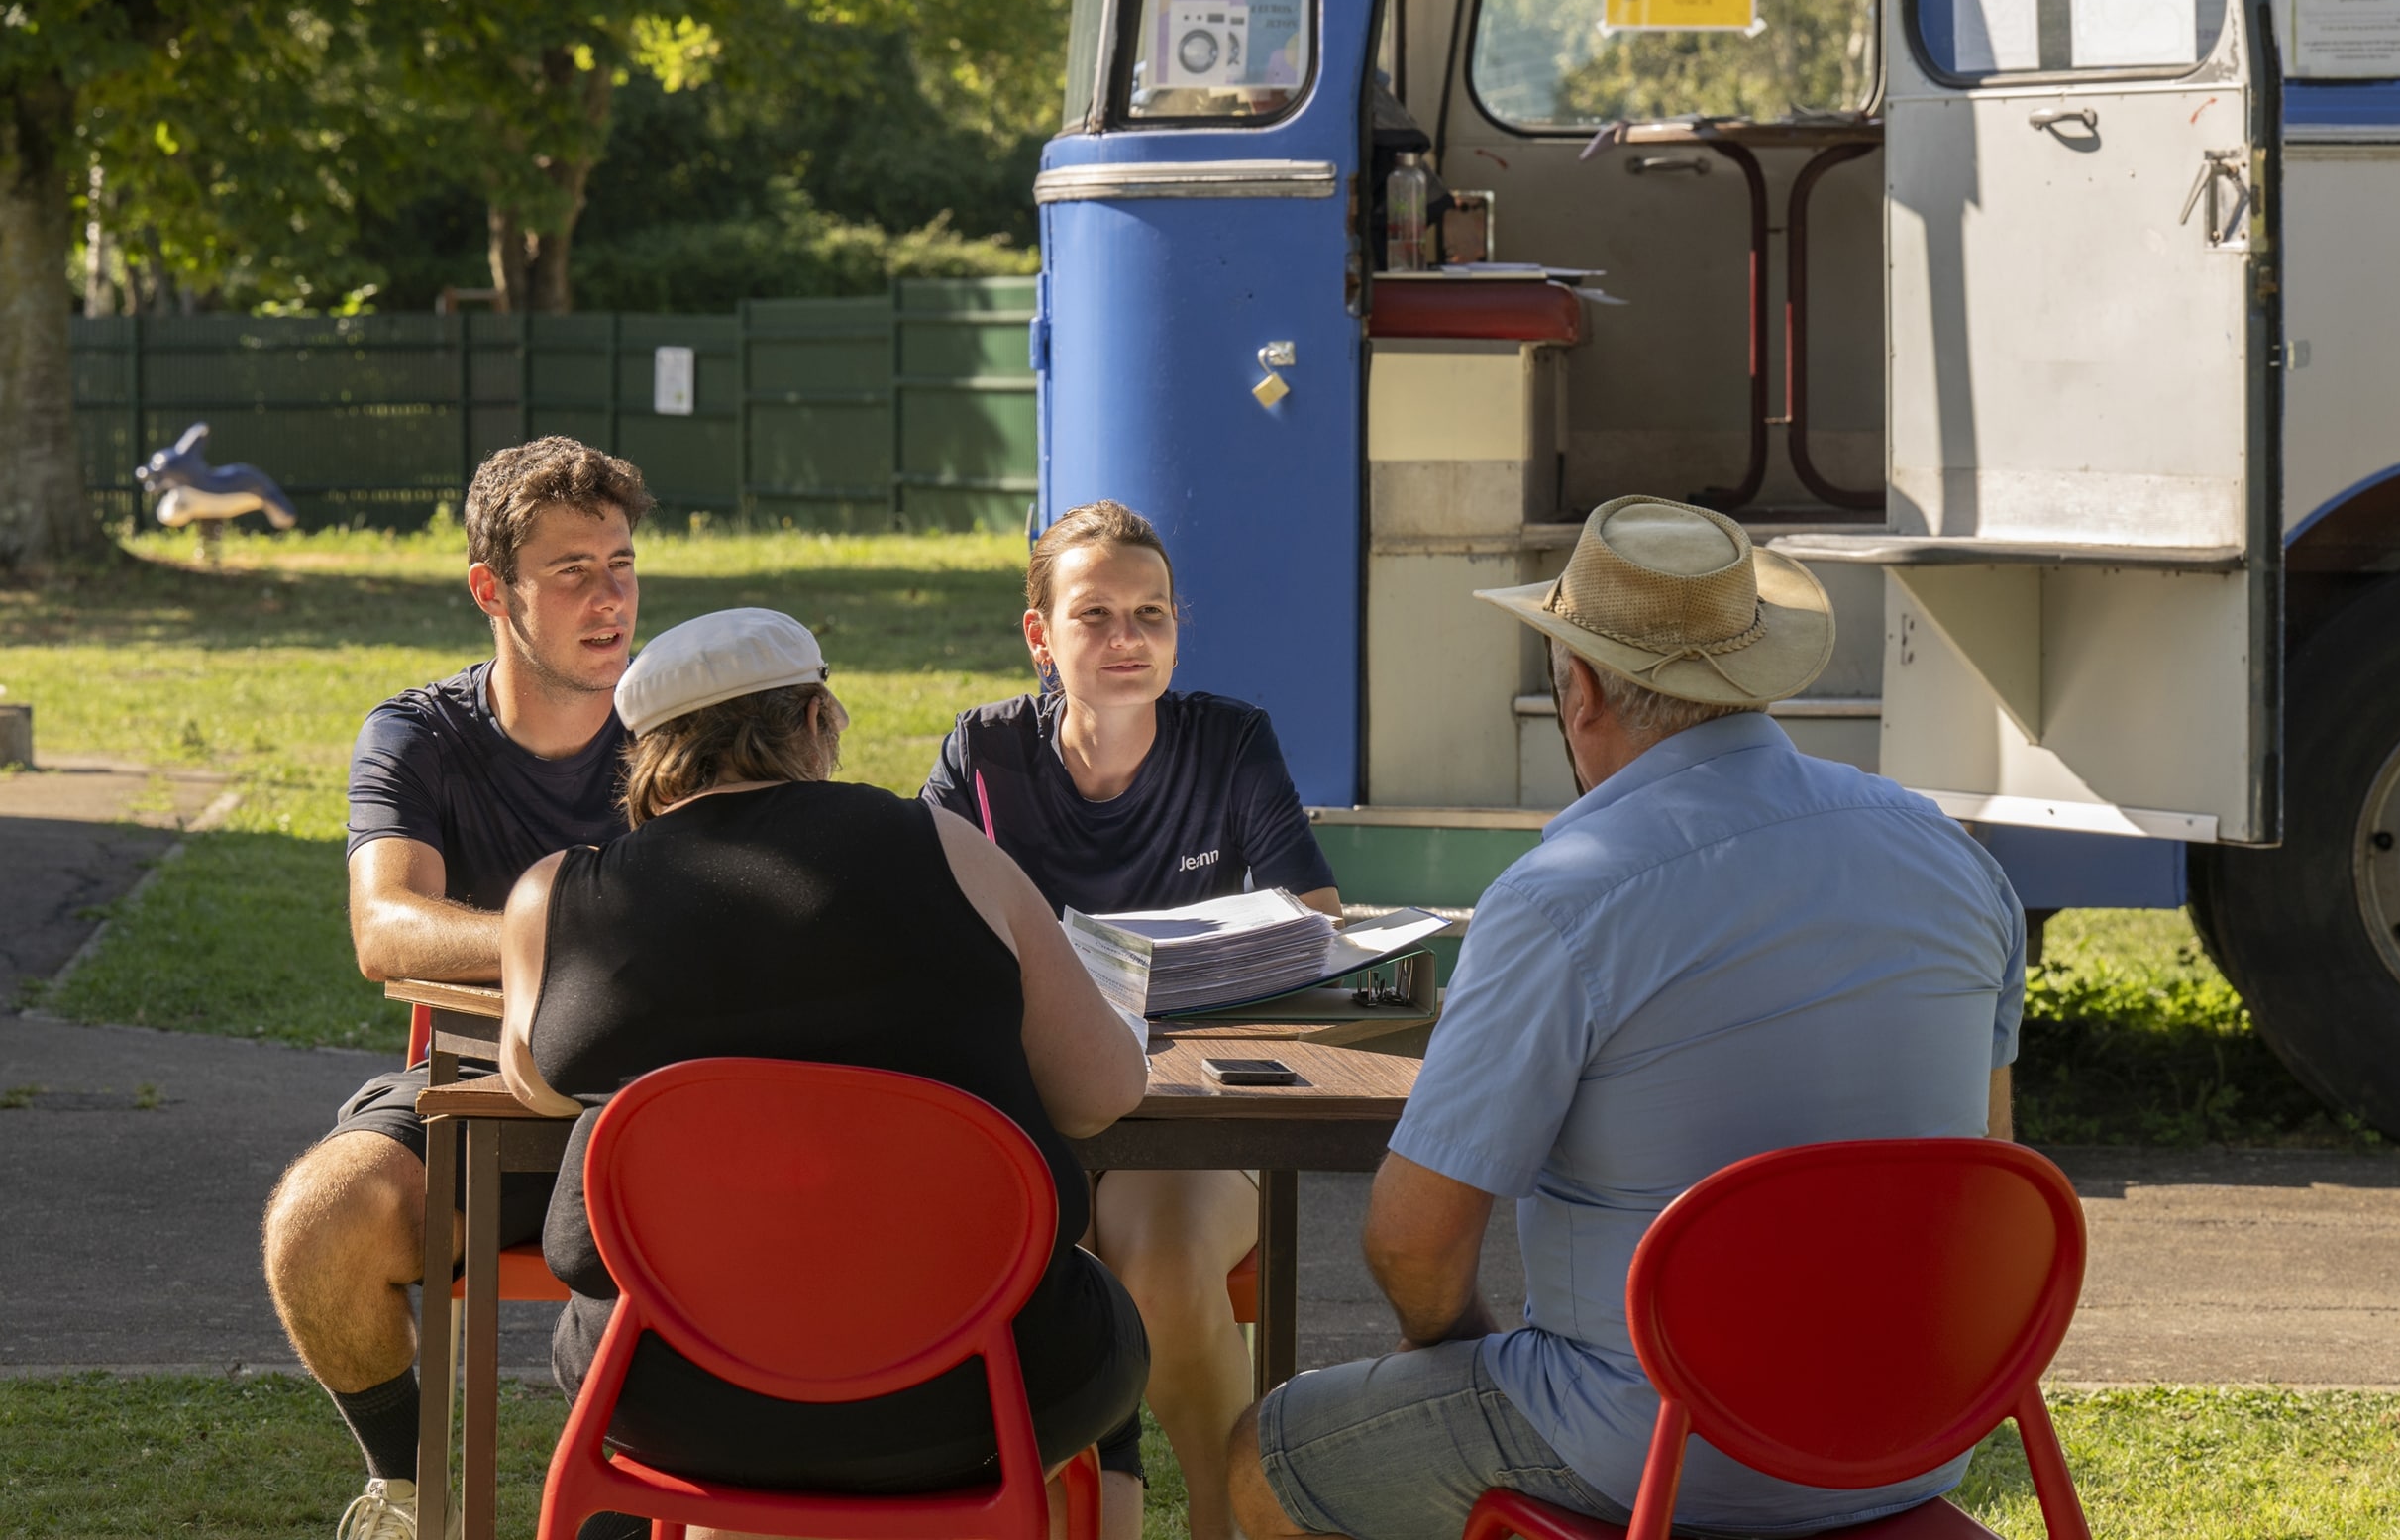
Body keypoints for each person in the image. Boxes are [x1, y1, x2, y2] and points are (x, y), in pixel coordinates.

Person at [1229, 496, 2031, 1540]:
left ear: (1583, 687)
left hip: (1656, 1446)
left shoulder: (1564, 895)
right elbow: (1989, 1169)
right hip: (1914, 1431)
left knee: (1263, 1457)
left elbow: (1412, 1242)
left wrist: (1462, 1354)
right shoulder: (1955, 858)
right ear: (1756, 674)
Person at [496, 607, 1153, 1540]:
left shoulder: (557, 898)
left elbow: (537, 1079)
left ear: (647, 755)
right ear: (814, 718)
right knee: (1092, 1326)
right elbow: (1101, 1094)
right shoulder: (946, 850)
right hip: (975, 1394)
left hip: (672, 1397)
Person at [924, 498, 1337, 1540]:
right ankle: (1099, 1496)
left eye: (1151, 613)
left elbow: (1315, 923)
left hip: (1186, 1116)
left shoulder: (1229, 740)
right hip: (1031, 1115)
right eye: (1096, 613)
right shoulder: (984, 752)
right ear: (1040, 635)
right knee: (1041, 1255)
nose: (1128, 638)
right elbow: (914, 924)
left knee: (1158, 1257)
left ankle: (1226, 1520)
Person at [260, 438, 650, 1540]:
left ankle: (632, 1501)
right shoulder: (418, 732)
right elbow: (386, 928)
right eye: (572, 571)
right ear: (492, 589)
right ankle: (405, 1485)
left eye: (622, 564)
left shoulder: (674, 728)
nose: (610, 597)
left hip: (650, 1110)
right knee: (321, 1218)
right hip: (480, 1098)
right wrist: (567, 928)